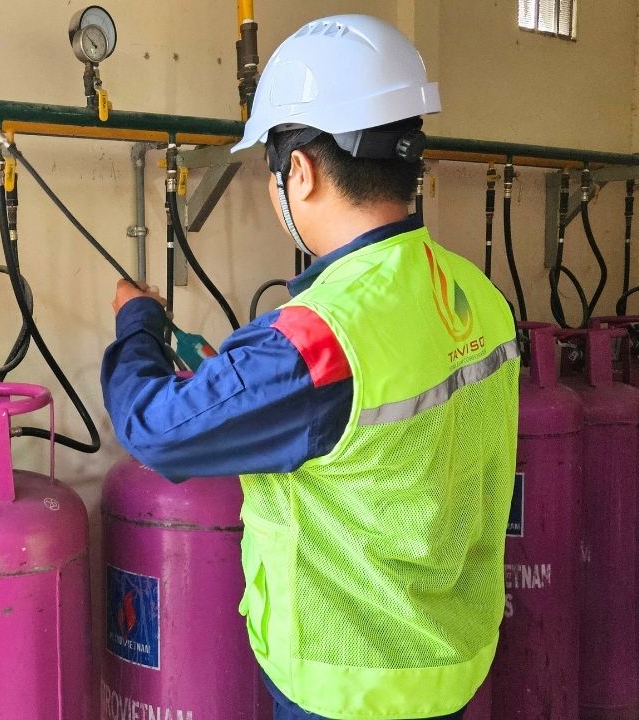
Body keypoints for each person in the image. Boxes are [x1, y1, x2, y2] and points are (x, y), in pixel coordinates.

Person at [101, 13, 518, 720]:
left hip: (349, 685)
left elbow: (154, 428)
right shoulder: (476, 293)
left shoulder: (317, 342)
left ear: (300, 170)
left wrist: (136, 319)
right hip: (452, 659)